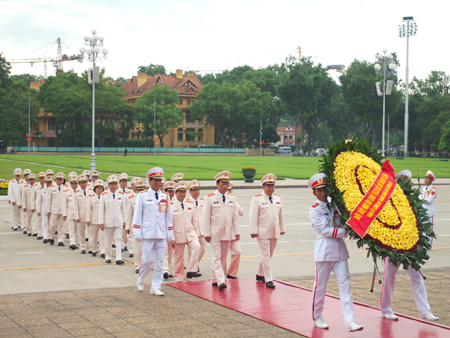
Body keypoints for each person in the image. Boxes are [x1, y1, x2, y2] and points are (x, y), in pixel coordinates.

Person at [380, 169, 439, 321]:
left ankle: (424, 310)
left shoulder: (414, 201)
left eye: (409, 183)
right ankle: (386, 308)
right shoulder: (390, 202)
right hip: (393, 247)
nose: (409, 186)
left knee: (416, 276)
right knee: (389, 278)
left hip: (410, 246)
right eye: (406, 183)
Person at [308, 173, 363, 332]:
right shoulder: (314, 210)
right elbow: (325, 230)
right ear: (314, 193)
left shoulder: (336, 205)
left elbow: (346, 219)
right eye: (319, 191)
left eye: (325, 189)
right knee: (320, 286)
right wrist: (346, 231)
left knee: (345, 286)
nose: (323, 193)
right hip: (324, 252)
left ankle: (350, 321)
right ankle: (317, 316)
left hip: (339, 252)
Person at [133, 167, 175, 296]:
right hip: (147, 233)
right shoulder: (142, 196)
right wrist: (137, 232)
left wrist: (170, 235)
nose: (158, 183)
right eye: (155, 180)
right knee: (146, 260)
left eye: (160, 181)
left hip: (161, 234)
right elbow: (137, 215)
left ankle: (156, 286)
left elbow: (168, 217)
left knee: (161, 262)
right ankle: (141, 279)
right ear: (150, 181)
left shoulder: (165, 196)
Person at [203, 170, 240, 291]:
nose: (225, 186)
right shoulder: (210, 198)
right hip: (215, 233)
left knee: (223, 258)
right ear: (217, 184)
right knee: (217, 257)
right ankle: (221, 280)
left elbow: (235, 217)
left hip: (228, 233)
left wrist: (237, 232)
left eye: (227, 184)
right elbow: (206, 217)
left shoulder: (232, 198)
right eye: (223, 183)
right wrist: (206, 233)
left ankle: (215, 279)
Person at [249, 173, 285, 289]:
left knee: (269, 255)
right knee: (265, 255)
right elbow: (252, 216)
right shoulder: (257, 198)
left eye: (272, 185)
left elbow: (280, 215)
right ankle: (268, 279)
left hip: (274, 231)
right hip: (262, 232)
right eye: (268, 186)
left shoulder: (277, 197)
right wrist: (253, 230)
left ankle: (260, 274)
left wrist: (282, 228)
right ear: (263, 187)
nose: (270, 188)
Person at [171, 181, 202, 282]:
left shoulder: (189, 203)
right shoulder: (171, 205)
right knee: (178, 257)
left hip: (190, 233)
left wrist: (197, 234)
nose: (183, 194)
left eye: (184, 192)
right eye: (180, 192)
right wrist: (171, 238)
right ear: (176, 193)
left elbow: (194, 220)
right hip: (178, 234)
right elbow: (168, 224)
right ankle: (178, 278)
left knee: (197, 247)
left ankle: (191, 270)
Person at [99, 175, 127, 264]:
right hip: (108, 221)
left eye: (115, 184)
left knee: (119, 239)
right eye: (111, 184)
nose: (113, 186)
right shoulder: (104, 195)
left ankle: (119, 258)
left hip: (118, 220)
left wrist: (125, 221)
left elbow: (124, 209)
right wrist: (101, 222)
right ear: (108, 185)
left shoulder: (121, 195)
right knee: (108, 240)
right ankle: (108, 256)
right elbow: (101, 210)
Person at [226, 182, 243, 280]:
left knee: (237, 252)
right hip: (224, 231)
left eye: (230, 191)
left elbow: (241, 212)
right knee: (222, 256)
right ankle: (220, 275)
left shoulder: (233, 201)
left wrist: (235, 202)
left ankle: (231, 273)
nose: (229, 193)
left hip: (233, 231)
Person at [188, 180, 206, 268]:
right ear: (190, 191)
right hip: (192, 230)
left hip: (202, 230)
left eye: (197, 190)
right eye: (194, 190)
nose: (196, 192)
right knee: (192, 249)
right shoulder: (187, 202)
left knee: (203, 249)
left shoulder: (203, 202)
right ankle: (193, 268)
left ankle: (195, 264)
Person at [46, 172, 67, 246]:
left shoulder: (65, 188)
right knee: (52, 225)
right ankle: (51, 237)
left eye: (61, 179)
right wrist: (48, 210)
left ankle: (60, 240)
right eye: (58, 179)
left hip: (62, 210)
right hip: (54, 209)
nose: (60, 181)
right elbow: (48, 200)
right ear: (55, 180)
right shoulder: (51, 188)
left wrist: (66, 211)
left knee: (62, 226)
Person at [86, 180, 106, 257]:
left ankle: (102, 251)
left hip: (102, 221)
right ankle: (93, 249)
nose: (99, 190)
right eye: (98, 188)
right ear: (95, 189)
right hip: (94, 219)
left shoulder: (105, 197)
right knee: (94, 236)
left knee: (102, 237)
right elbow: (89, 210)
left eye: (101, 189)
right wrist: (88, 219)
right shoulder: (91, 198)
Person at [419, 171, 437, 247]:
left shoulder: (433, 189)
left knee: (428, 229)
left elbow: (428, 201)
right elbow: (420, 197)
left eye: (427, 178)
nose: (425, 179)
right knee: (422, 228)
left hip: (429, 212)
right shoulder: (424, 188)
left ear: (431, 180)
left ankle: (428, 245)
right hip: (422, 211)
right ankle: (423, 244)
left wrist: (421, 198)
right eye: (425, 178)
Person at [162, 180, 176, 279]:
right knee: (164, 251)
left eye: (172, 191)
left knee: (170, 251)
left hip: (173, 230)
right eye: (168, 191)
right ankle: (165, 270)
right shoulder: (162, 201)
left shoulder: (176, 202)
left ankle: (166, 268)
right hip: (163, 229)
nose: (171, 193)